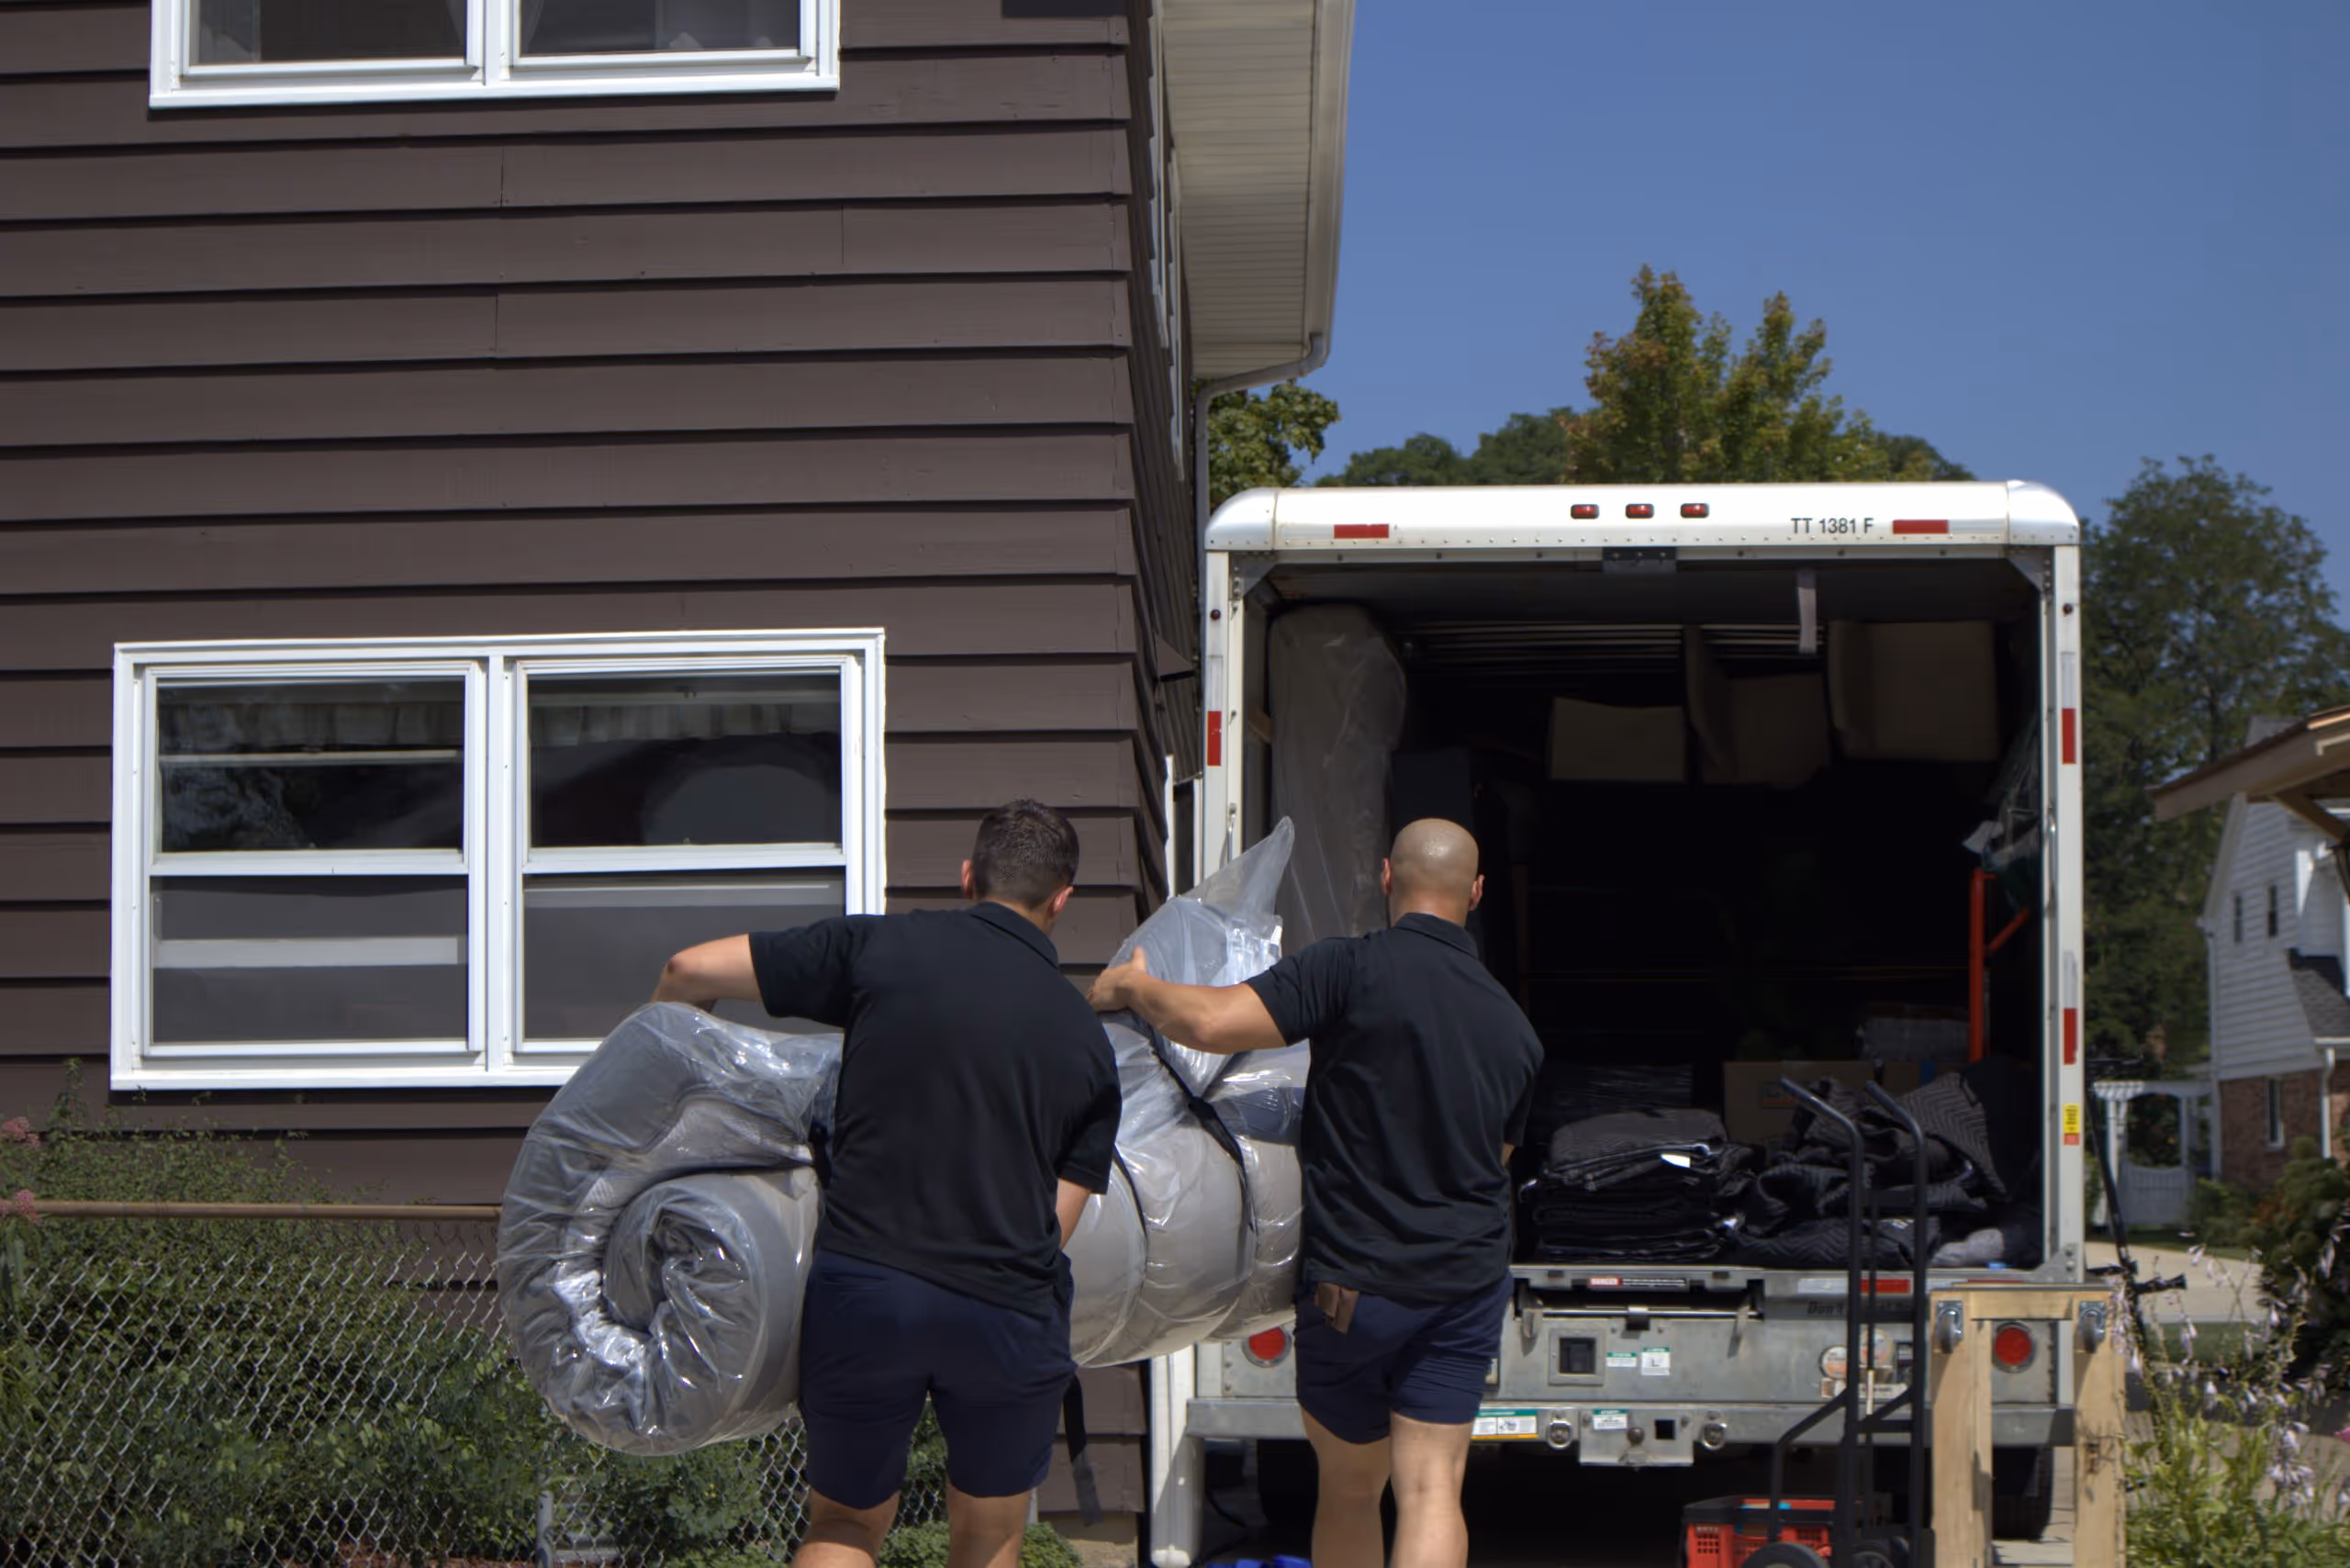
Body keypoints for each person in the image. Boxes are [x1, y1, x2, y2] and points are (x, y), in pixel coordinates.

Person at [653, 800, 1121, 1568]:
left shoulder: (880, 947)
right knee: (990, 1533)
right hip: (1005, 1307)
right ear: (1061, 901)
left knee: (844, 1524)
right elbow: (1056, 1222)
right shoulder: (1085, 1040)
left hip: (869, 1287)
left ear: (968, 876)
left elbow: (688, 970)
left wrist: (664, 1118)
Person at [1088, 818, 1540, 1568]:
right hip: (1464, 1284)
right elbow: (1491, 1158)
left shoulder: (1349, 970)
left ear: (1387, 879)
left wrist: (1135, 984)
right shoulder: (1514, 1028)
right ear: (1478, 893)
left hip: (1355, 1288)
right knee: (1432, 1491)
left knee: (1353, 1489)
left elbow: (1209, 1022)